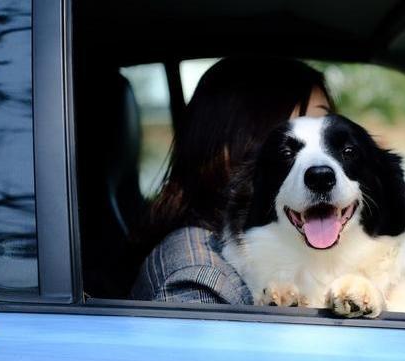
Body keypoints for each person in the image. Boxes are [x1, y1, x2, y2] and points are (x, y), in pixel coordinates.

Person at [131, 57, 333, 304]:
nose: (320, 161)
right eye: (288, 141)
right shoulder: (198, 280)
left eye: (322, 128)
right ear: (228, 151)